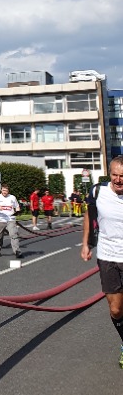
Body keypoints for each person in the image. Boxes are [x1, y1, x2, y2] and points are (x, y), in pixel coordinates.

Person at [81, 157, 123, 369]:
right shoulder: (98, 191)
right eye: (115, 175)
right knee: (116, 309)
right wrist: (86, 243)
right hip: (107, 256)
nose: (118, 180)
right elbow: (89, 216)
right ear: (109, 173)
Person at [0, 184, 22, 259]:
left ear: (8, 191)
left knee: (14, 235)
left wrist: (18, 211)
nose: (5, 192)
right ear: (1, 190)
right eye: (3, 190)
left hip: (10, 219)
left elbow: (17, 206)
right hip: (0, 220)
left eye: (6, 191)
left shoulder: (12, 197)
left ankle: (17, 251)